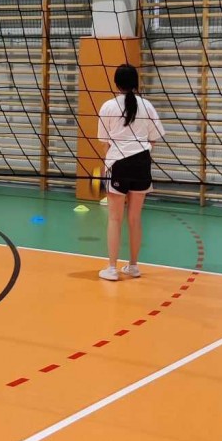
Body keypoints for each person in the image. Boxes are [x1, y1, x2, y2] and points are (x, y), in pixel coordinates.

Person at [96, 64, 165, 282]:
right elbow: (154, 139)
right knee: (135, 218)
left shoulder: (108, 106)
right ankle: (133, 266)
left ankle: (112, 269)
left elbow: (104, 142)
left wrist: (110, 164)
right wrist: (139, 153)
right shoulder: (147, 106)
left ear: (116, 83)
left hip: (118, 163)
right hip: (141, 163)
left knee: (115, 218)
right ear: (136, 83)